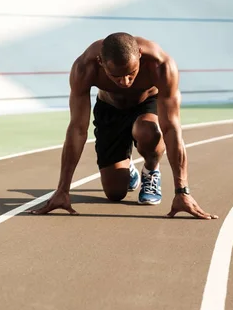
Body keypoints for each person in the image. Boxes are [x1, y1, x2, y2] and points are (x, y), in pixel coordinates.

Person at [31, 32, 218, 219]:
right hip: (110, 110)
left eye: (131, 73)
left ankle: (151, 169)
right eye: (116, 76)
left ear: (140, 55)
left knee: (149, 131)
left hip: (147, 105)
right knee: (114, 194)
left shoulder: (161, 65)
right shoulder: (84, 67)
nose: (125, 82)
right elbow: (77, 129)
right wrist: (63, 189)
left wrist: (182, 191)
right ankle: (127, 169)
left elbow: (171, 128)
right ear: (100, 62)